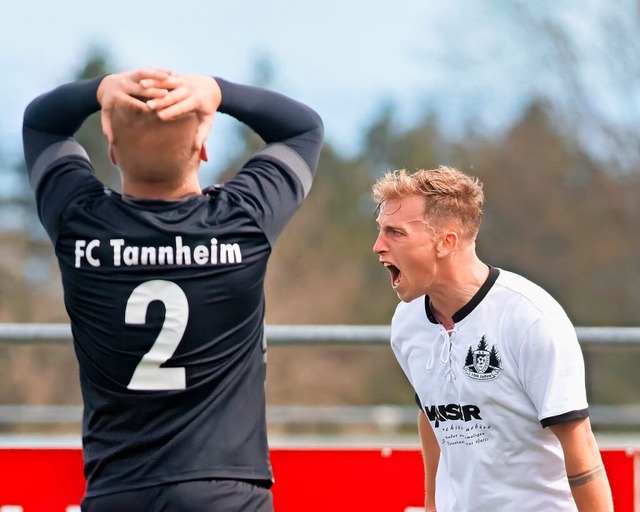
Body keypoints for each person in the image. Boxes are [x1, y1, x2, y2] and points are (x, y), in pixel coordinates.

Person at [22, 68, 323, 511]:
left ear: (112, 150)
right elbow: (302, 129)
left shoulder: (80, 226)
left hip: (118, 491)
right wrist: (218, 92)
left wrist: (101, 88)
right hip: (226, 494)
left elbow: (41, 123)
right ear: (203, 149)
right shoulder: (242, 223)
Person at [371, 166, 613, 511]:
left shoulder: (530, 318)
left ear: (447, 242)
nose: (378, 246)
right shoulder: (407, 322)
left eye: (395, 233)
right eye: (380, 231)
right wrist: (432, 504)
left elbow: (581, 447)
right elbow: (432, 414)